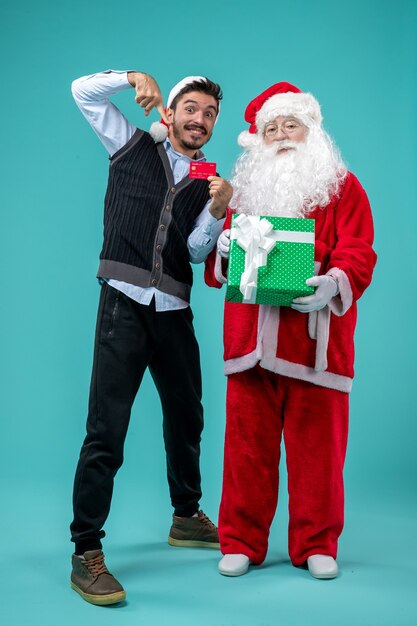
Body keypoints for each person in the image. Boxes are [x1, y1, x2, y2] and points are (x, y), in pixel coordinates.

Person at [70, 68, 233, 605]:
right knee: (106, 430)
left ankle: (186, 516)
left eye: (209, 114)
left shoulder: (209, 177)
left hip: (175, 311)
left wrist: (215, 209)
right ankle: (85, 551)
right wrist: (132, 76)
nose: (200, 120)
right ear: (171, 112)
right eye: (192, 109)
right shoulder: (129, 143)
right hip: (123, 304)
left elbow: (193, 252)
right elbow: (81, 92)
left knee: (189, 415)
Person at [205, 82, 377, 579]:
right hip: (250, 344)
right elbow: (222, 267)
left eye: (290, 125)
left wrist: (335, 283)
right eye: (271, 128)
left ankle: (316, 544)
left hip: (315, 347)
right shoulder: (247, 193)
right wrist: (223, 254)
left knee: (318, 454)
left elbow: (359, 248)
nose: (280, 135)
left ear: (312, 131)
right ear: (259, 138)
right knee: (245, 451)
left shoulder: (343, 186)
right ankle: (240, 540)